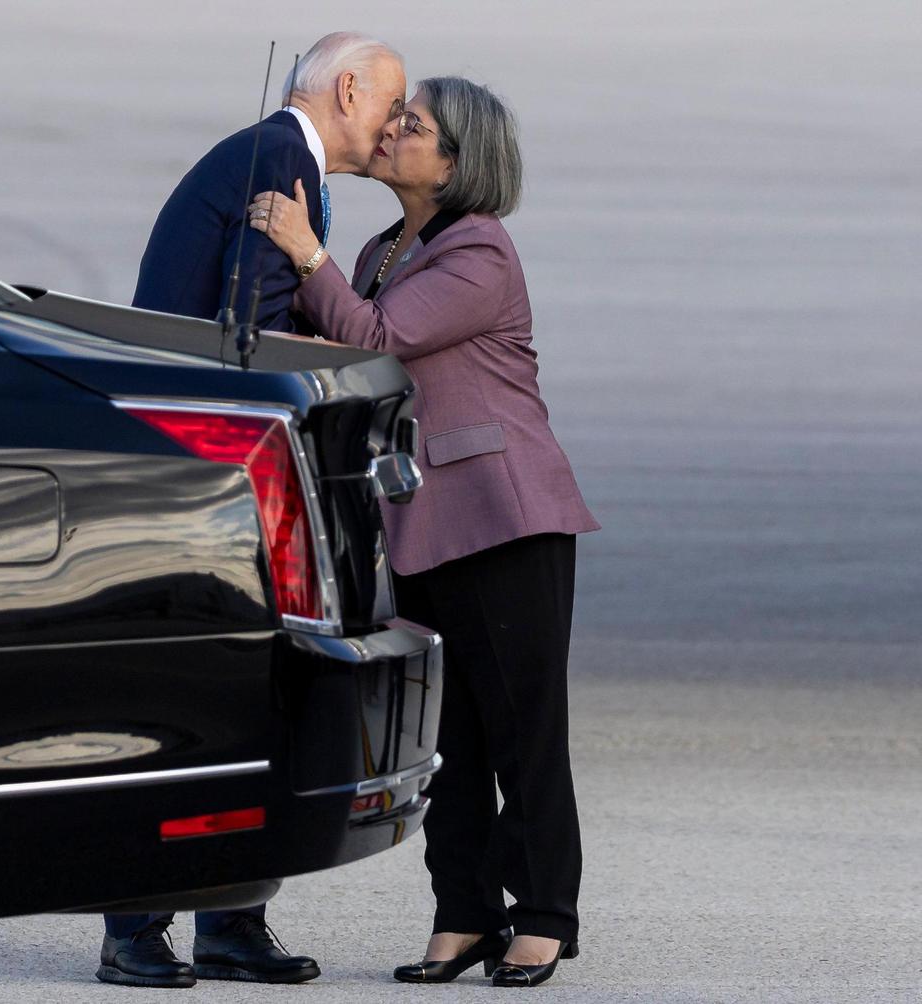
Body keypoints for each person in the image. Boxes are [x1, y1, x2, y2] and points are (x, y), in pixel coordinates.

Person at [250, 77, 600, 989]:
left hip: (502, 519)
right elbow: (337, 349)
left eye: (415, 127)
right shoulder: (379, 247)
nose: (392, 132)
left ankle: (545, 918)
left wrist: (302, 251)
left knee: (524, 730)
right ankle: (464, 915)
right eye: (396, 119)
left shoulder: (479, 250)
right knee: (451, 739)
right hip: (415, 526)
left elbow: (379, 334)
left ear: (457, 162)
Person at [95, 32, 406, 990]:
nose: (395, 126)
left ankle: (230, 922)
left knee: (246, 703)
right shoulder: (281, 163)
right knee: (194, 702)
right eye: (391, 105)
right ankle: (135, 930)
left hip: (215, 472)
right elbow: (255, 339)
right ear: (348, 89)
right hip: (209, 481)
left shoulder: (278, 161)